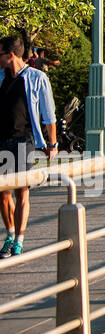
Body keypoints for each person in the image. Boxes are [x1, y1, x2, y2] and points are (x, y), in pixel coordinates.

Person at [0, 34, 58, 258]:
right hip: (2, 140)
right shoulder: (1, 76)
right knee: (3, 193)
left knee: (21, 190)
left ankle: (19, 241)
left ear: (11, 55)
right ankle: (10, 234)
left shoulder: (37, 78)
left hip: (23, 140)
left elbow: (48, 115)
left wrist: (52, 145)